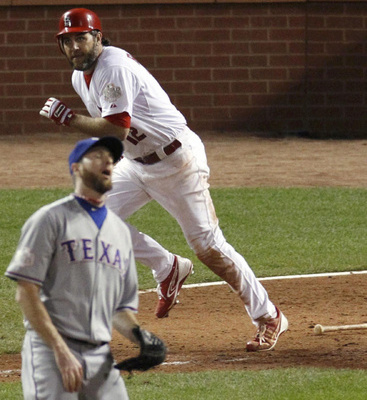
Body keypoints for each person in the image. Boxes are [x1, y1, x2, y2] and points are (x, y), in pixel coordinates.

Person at [39, 8, 288, 352]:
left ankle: (269, 315)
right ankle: (166, 265)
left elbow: (116, 127)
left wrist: (69, 118)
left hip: (177, 162)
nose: (74, 47)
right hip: (137, 163)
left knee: (209, 247)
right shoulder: (80, 77)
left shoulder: (113, 68)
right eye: (67, 41)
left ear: (98, 37)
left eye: (81, 37)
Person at [5, 136, 166, 399]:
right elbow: (26, 293)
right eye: (97, 155)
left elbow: (119, 309)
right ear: (76, 168)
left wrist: (140, 336)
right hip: (50, 352)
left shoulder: (120, 233)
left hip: (100, 356)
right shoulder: (49, 220)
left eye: (111, 158)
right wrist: (60, 350)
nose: (108, 161)